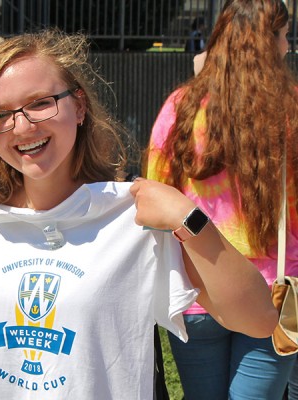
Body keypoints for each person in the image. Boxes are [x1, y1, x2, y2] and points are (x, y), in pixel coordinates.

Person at [0, 29, 278, 399]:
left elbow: (258, 320)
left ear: (79, 105)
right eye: (0, 114)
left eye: (40, 103)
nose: (21, 127)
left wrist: (189, 217)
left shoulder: (133, 217)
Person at [145, 1, 298, 399]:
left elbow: (155, 199)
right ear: (268, 42)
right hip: (273, 291)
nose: (287, 46)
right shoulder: (291, 110)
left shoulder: (180, 108)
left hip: (197, 287)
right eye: (284, 35)